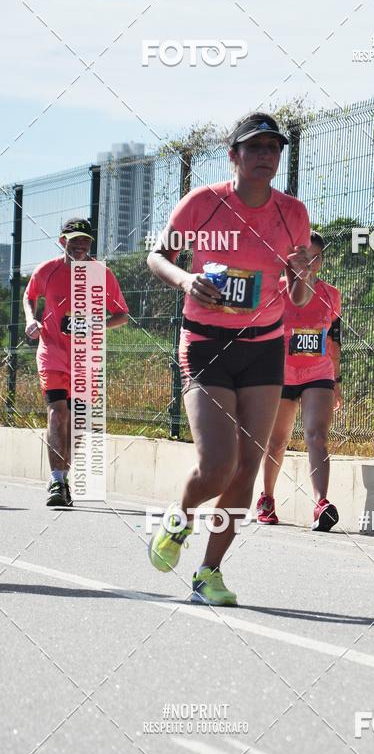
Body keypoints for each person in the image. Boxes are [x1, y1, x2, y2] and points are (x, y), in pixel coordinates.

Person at [146, 112, 311, 606]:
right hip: (205, 343)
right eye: (255, 147)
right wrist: (184, 280)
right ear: (233, 155)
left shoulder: (292, 213)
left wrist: (299, 276)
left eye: (273, 149)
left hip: (263, 345)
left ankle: (209, 573)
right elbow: (158, 256)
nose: (266, 156)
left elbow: (299, 298)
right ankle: (180, 515)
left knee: (247, 468)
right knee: (219, 464)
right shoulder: (203, 203)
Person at [23, 218, 129, 507]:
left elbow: (121, 314)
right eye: (75, 240)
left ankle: (64, 477)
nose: (81, 246)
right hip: (53, 354)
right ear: (63, 242)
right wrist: (31, 320)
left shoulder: (100, 274)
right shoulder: (47, 270)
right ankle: (57, 481)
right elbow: (29, 296)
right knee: (58, 414)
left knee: (77, 423)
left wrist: (97, 326)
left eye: (86, 241)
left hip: (86, 359)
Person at [256, 232, 342, 532]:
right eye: (304, 256)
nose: (310, 262)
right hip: (280, 376)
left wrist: (337, 380)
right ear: (292, 260)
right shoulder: (276, 290)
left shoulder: (331, 294)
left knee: (317, 435)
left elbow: (333, 340)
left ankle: (322, 504)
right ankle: (266, 498)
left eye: (315, 257)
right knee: (277, 441)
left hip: (318, 374)